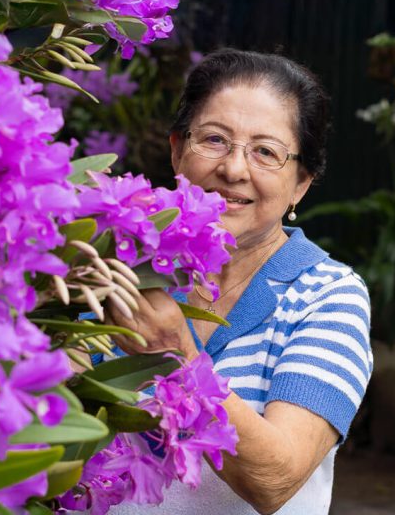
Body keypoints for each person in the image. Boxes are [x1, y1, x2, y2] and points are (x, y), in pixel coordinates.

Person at [105, 49, 372, 515]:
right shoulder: (114, 265)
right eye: (214, 140)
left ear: (301, 184)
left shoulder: (328, 296)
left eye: (266, 152)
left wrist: (176, 357)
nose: (233, 169)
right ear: (176, 151)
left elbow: (275, 479)